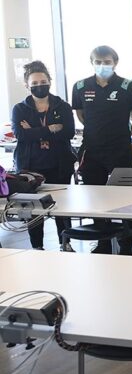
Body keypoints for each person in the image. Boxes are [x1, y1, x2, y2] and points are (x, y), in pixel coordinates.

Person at [72, 45, 132, 254]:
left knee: (125, 197)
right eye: (98, 62)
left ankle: (127, 240)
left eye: (106, 62)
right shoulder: (80, 86)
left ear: (115, 63)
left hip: (120, 150)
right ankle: (102, 240)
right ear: (92, 63)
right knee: (96, 197)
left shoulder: (128, 86)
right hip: (92, 151)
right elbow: (81, 115)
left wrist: (127, 132)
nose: (102, 66)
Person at [12, 61, 75, 250]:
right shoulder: (20, 109)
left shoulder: (62, 106)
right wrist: (50, 129)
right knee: (33, 209)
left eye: (43, 81)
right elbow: (20, 135)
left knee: (62, 208)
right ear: (27, 85)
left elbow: (68, 133)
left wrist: (34, 131)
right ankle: (37, 247)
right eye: (35, 83)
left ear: (49, 82)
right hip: (30, 166)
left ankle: (65, 243)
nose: (40, 86)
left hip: (59, 164)